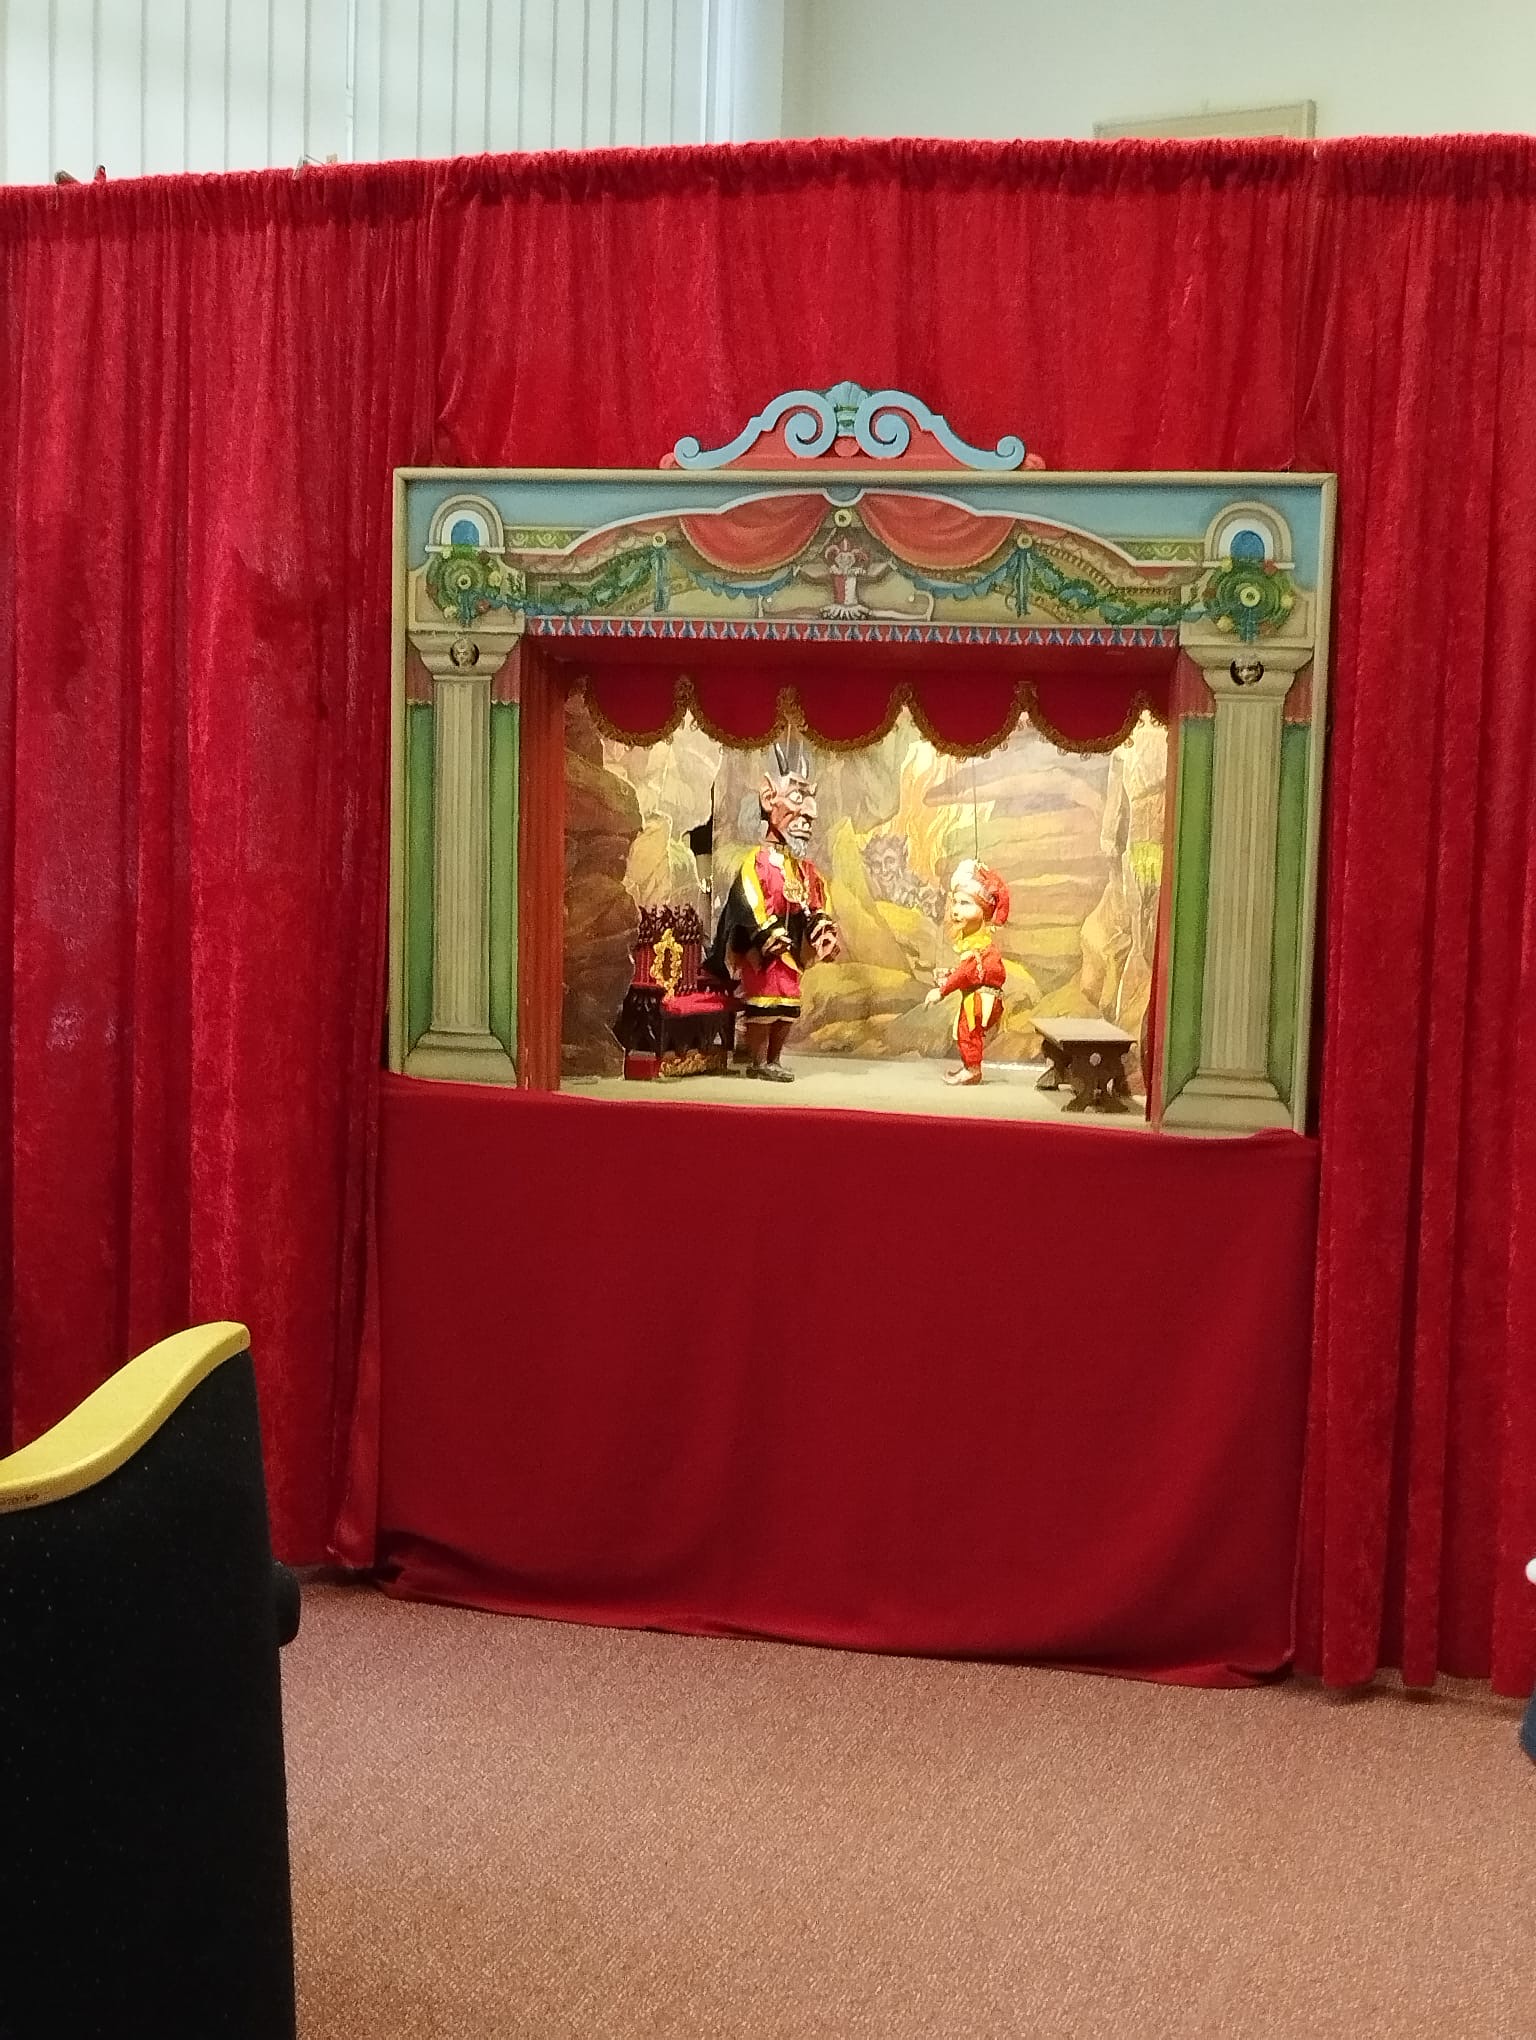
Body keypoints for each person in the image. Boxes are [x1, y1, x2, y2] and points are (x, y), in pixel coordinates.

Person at [703, 738, 840, 1081]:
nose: (811, 813)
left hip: (790, 954)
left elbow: (814, 901)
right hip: (762, 954)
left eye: (811, 800)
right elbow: (747, 900)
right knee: (764, 1005)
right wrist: (766, 934)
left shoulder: (803, 869)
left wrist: (821, 929)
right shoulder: (757, 862)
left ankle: (774, 1060)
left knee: (788, 1006)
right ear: (768, 799)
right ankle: (758, 1061)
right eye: (798, 798)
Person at [926, 858, 1010, 1086]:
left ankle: (972, 1069)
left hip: (980, 1000)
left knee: (968, 1032)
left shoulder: (979, 946)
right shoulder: (975, 944)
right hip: (976, 996)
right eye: (955, 902)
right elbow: (968, 972)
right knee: (965, 1031)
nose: (956, 910)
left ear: (984, 910)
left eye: (965, 903)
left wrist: (941, 991)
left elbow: (966, 973)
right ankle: (969, 1066)